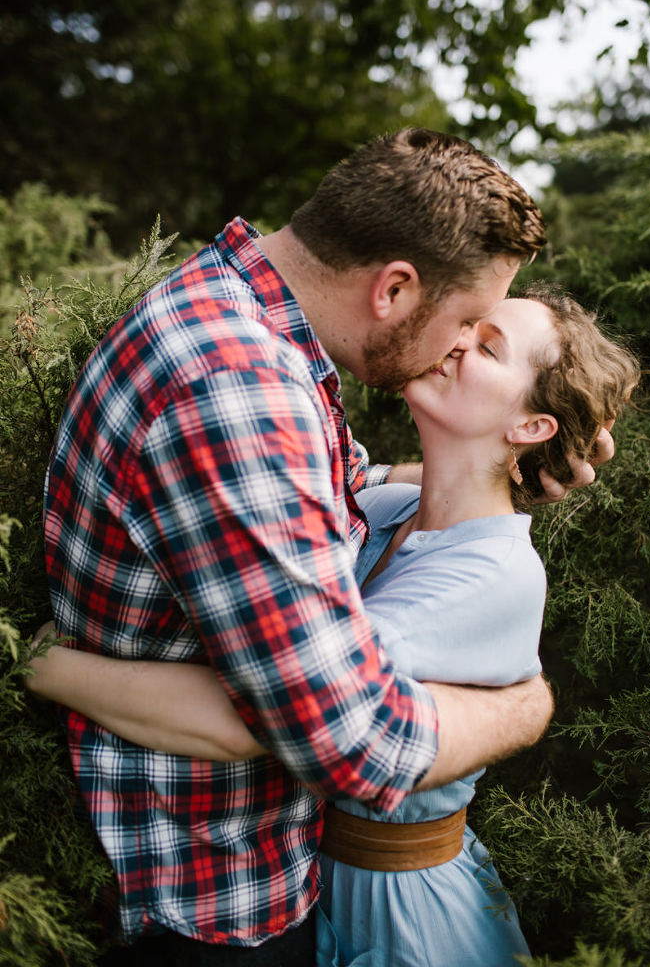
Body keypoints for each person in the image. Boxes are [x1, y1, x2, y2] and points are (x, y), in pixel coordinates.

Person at [39, 128, 612, 963]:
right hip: (210, 895)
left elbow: (326, 487)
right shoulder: (242, 390)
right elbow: (348, 737)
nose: (458, 342)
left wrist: (495, 471)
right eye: (465, 320)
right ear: (394, 289)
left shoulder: (232, 315)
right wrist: (524, 709)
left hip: (246, 868)